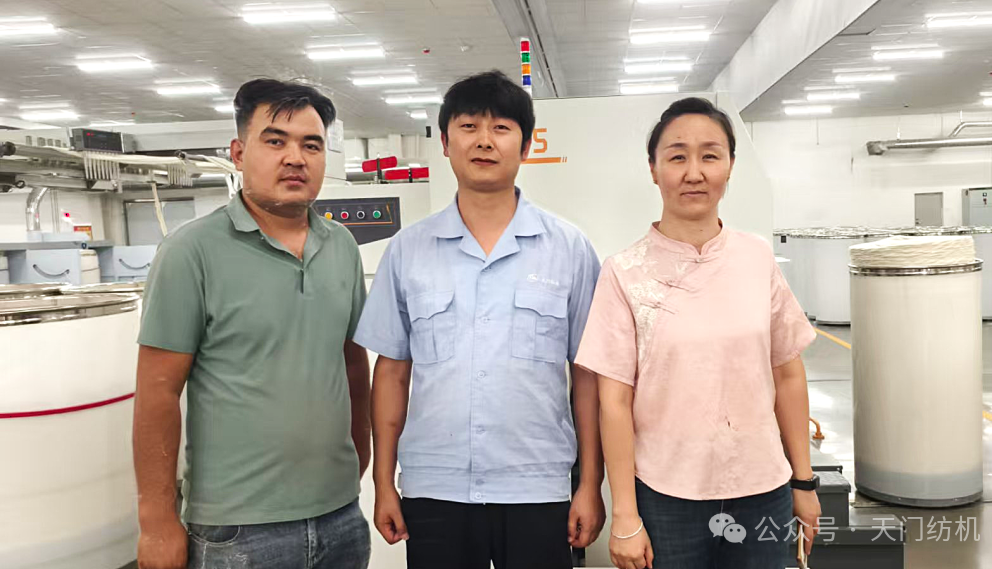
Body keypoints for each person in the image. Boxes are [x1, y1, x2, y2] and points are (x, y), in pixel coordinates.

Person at [354, 70, 605, 569]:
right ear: (445, 143)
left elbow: (588, 376)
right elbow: (392, 373)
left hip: (537, 484)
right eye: (469, 127)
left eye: (501, 128)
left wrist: (590, 484)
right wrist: (383, 483)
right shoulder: (408, 250)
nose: (485, 141)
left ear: (526, 146)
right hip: (435, 487)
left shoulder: (569, 249)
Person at [133, 79, 372, 569]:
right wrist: (157, 522)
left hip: (340, 517)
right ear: (239, 153)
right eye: (276, 141)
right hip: (238, 529)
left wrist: (358, 459)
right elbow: (157, 394)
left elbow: (352, 364)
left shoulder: (342, 247)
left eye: (311, 145)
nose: (295, 158)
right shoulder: (190, 252)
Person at [575, 97, 821, 569]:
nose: (694, 173)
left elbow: (787, 374)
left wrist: (803, 481)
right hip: (666, 496)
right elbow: (614, 402)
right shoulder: (624, 272)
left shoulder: (756, 258)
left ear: (730, 166)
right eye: (677, 157)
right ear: (653, 169)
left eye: (710, 155)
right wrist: (624, 513)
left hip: (762, 488)